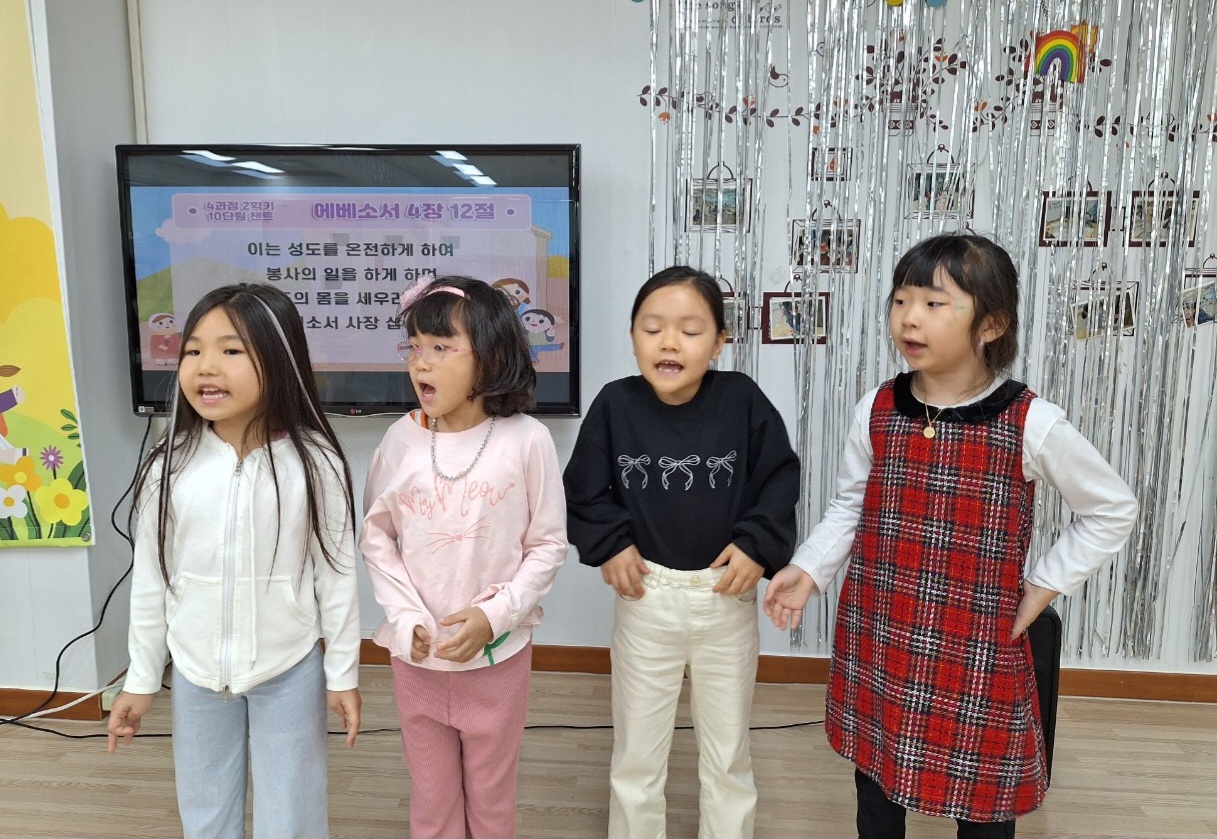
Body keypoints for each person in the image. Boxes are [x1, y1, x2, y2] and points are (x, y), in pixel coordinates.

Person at [764, 233, 1138, 839]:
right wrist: (808, 569)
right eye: (901, 300)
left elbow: (1111, 509)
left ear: (991, 325)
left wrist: (1042, 587)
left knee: (983, 793)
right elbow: (851, 506)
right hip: (881, 632)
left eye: (934, 304)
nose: (909, 317)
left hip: (976, 643)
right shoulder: (877, 408)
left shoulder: (1030, 421)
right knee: (878, 774)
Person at [107, 283, 362, 839]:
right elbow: (151, 579)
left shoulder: (315, 463)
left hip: (288, 668)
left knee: (292, 815)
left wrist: (342, 673)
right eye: (193, 350)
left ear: (279, 359)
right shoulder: (168, 465)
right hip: (195, 671)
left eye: (230, 350)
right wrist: (142, 678)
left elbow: (337, 576)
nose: (206, 366)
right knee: (204, 812)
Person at [564, 266, 801, 839]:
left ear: (719, 342)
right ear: (633, 337)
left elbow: (778, 478)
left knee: (727, 755)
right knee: (637, 758)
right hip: (647, 599)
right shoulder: (615, 404)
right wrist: (610, 544)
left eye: (690, 330)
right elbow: (584, 488)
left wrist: (756, 545)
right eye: (652, 329)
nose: (669, 342)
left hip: (726, 601)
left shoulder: (742, 399)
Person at [360, 276, 567, 839]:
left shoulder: (527, 440)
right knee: (432, 799)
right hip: (417, 661)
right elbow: (376, 538)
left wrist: (494, 615)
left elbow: (548, 545)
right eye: (414, 347)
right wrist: (406, 617)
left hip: (497, 659)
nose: (421, 363)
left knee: (492, 798)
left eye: (440, 347)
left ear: (491, 356)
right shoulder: (399, 441)